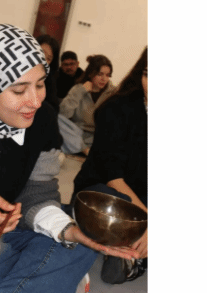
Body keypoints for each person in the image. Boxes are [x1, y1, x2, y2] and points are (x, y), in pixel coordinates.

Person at [0, 24, 138, 293]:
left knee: (83, 238)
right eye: (19, 91)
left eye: (40, 85)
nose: (35, 102)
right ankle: (49, 277)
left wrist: (66, 230)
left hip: (16, 229)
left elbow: (38, 193)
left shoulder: (43, 119)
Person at [73, 47, 148, 284]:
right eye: (149, 75)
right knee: (112, 209)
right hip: (105, 192)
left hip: (143, 199)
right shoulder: (116, 108)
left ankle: (130, 250)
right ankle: (129, 251)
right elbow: (113, 177)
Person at [59, 54, 113, 155]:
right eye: (100, 74)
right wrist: (81, 91)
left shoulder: (112, 93)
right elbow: (63, 114)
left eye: (107, 75)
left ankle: (80, 148)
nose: (104, 79)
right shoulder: (78, 89)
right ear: (90, 73)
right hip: (76, 134)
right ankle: (85, 150)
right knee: (56, 119)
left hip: (97, 136)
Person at [36, 34, 61, 113]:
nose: (43, 60)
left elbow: (53, 110)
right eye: (41, 52)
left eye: (48, 58)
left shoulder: (49, 81)